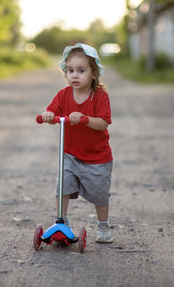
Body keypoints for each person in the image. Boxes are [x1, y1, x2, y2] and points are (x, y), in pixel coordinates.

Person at [39, 43, 114, 243]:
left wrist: (85, 118)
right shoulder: (63, 95)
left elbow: (103, 123)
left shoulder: (99, 96)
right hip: (70, 154)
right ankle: (62, 222)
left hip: (97, 157)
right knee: (62, 187)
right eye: (70, 70)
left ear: (93, 73)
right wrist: (48, 115)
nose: (75, 75)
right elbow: (53, 111)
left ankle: (104, 226)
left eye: (81, 71)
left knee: (100, 194)